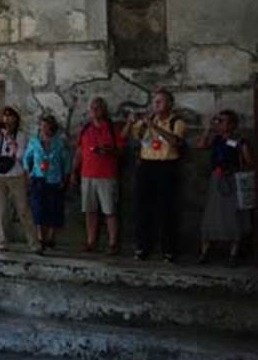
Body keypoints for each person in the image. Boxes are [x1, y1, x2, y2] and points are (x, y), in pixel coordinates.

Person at [127, 88, 186, 262]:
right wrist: (135, 123)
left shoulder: (177, 122)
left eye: (160, 101)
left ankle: (169, 249)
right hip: (147, 165)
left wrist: (156, 127)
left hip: (167, 166)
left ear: (169, 104)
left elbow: (176, 142)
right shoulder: (148, 121)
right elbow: (136, 136)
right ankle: (143, 247)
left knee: (167, 209)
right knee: (143, 208)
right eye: (155, 101)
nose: (155, 104)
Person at [0, 106, 43, 255]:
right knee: (0, 210)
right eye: (4, 117)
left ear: (15, 119)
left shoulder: (21, 136)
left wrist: (10, 139)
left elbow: (20, 156)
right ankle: (2, 241)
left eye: (10, 117)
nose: (6, 120)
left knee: (23, 210)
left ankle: (34, 243)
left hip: (16, 175)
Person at [197, 110, 252, 266]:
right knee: (212, 214)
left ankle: (233, 253)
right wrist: (208, 129)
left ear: (232, 124)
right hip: (217, 179)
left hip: (232, 180)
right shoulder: (216, 139)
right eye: (218, 121)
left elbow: (248, 161)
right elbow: (201, 145)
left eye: (222, 121)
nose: (219, 124)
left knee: (234, 216)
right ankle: (205, 251)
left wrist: (235, 170)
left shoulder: (239, 141)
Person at [71, 97, 126, 254]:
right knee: (90, 211)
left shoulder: (112, 129)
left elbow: (121, 151)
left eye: (98, 108)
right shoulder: (86, 129)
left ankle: (113, 243)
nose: (95, 111)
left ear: (104, 110)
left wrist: (109, 151)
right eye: (93, 108)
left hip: (107, 175)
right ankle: (91, 241)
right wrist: (74, 172)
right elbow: (79, 152)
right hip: (87, 175)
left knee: (110, 210)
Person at [23, 115, 71, 249]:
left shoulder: (60, 143)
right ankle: (40, 237)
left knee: (54, 208)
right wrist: (29, 172)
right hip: (38, 178)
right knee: (38, 208)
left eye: (46, 126)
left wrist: (66, 177)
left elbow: (66, 162)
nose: (43, 129)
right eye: (42, 126)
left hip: (54, 179)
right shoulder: (35, 141)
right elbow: (27, 157)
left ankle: (51, 237)